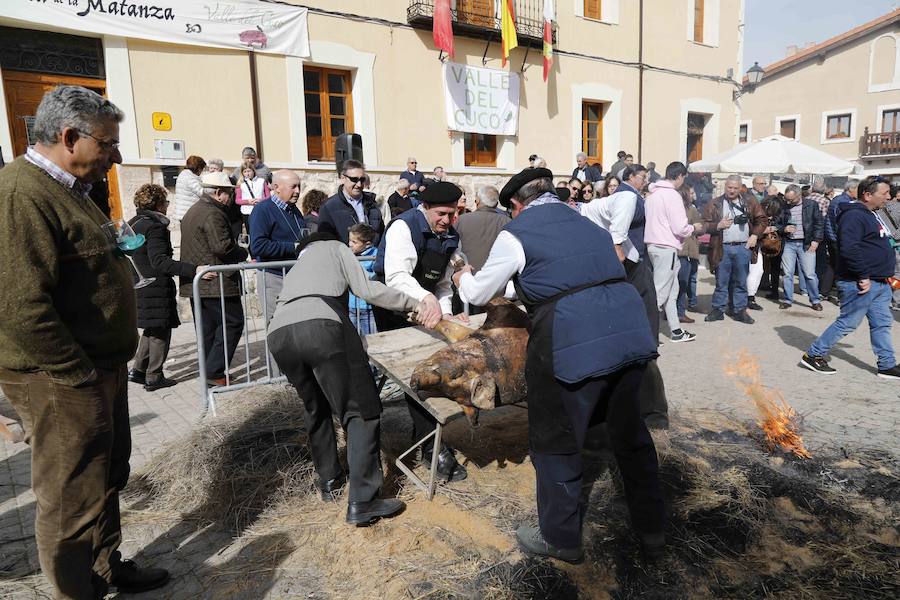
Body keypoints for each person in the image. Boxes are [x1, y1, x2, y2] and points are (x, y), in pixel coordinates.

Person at [0, 85, 169, 598]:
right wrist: (75, 375)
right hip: (60, 376)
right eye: (108, 144)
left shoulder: (72, 190)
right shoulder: (20, 194)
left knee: (107, 474)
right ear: (70, 137)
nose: (115, 157)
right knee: (70, 496)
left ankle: (104, 567)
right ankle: (77, 591)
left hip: (97, 368)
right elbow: (19, 306)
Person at [454, 168, 665, 564]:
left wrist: (462, 276)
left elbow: (481, 293)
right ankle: (652, 527)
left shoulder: (516, 233)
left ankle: (560, 537)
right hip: (627, 331)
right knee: (629, 432)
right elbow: (566, 273)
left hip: (572, 336)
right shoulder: (588, 223)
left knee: (556, 437)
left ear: (516, 205)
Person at [268, 232, 431, 525]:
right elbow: (367, 289)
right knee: (360, 410)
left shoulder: (298, 266)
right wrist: (413, 303)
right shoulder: (335, 248)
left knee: (316, 408)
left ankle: (329, 481)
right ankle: (364, 501)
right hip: (322, 326)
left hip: (278, 334)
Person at [373, 182, 469, 482]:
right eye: (441, 213)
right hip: (393, 306)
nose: (447, 220)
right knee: (416, 376)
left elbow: (443, 284)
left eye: (453, 214)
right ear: (425, 207)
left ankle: (430, 437)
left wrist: (446, 312)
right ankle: (430, 447)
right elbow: (396, 277)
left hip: (427, 306)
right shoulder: (403, 227)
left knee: (434, 371)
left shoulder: (451, 235)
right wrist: (425, 299)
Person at [582, 164, 669, 429]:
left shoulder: (618, 198)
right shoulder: (626, 197)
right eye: (643, 177)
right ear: (630, 177)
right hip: (623, 269)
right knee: (634, 334)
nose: (646, 180)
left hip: (627, 266)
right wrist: (618, 256)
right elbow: (617, 236)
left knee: (642, 337)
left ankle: (648, 407)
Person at [801, 176, 900, 379]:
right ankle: (813, 355)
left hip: (879, 281)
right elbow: (849, 248)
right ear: (867, 195)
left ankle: (887, 365)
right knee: (848, 322)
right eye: (884, 193)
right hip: (860, 282)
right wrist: (862, 274)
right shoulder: (854, 215)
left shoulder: (873, 214)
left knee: (882, 323)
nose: (889, 197)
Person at [128, 184, 216, 391]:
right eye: (165, 202)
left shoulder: (134, 222)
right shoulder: (154, 226)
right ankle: (154, 376)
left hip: (140, 283)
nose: (167, 206)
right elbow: (159, 261)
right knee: (161, 329)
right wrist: (193, 269)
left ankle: (139, 370)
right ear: (158, 204)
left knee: (151, 327)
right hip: (155, 286)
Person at [179, 172, 249, 386]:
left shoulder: (195, 209)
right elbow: (222, 247)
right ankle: (214, 371)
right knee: (233, 323)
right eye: (229, 193)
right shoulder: (212, 213)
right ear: (218, 193)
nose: (231, 197)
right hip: (216, 282)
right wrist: (243, 251)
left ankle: (210, 371)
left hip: (202, 281)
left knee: (208, 328)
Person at [644, 162, 703, 342]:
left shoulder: (653, 194)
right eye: (683, 177)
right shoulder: (672, 195)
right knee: (660, 292)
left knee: (671, 290)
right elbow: (680, 228)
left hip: (654, 245)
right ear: (679, 176)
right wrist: (693, 227)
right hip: (666, 247)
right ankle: (645, 335)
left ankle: (676, 331)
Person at [249, 170, 307, 339]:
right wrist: (294, 247)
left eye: (299, 186)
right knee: (278, 331)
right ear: (276, 187)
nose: (297, 191)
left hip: (294, 277)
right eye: (293, 186)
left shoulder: (294, 210)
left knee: (297, 327)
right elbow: (258, 246)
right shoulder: (262, 210)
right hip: (274, 277)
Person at [702, 175, 767, 324]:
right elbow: (703, 224)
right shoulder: (715, 203)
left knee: (741, 281)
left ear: (741, 188)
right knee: (721, 281)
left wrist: (755, 235)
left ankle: (739, 310)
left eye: (735, 188)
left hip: (743, 247)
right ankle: (718, 309)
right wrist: (717, 225)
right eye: (729, 187)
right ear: (725, 186)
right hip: (722, 247)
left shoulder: (750, 201)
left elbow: (762, 220)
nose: (732, 191)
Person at [776, 184, 824, 311]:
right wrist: (784, 228)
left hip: (806, 243)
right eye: (787, 199)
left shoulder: (811, 205)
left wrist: (816, 241)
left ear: (799, 195)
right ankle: (787, 299)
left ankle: (815, 300)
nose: (788, 202)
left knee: (809, 274)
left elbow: (819, 223)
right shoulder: (784, 206)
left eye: (791, 199)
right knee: (787, 273)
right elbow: (777, 224)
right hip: (789, 243)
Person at [318, 159, 385, 246]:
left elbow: (381, 234)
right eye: (354, 179)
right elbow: (326, 242)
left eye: (362, 179)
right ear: (343, 178)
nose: (359, 184)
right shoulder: (329, 207)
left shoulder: (372, 203)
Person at [348, 223, 379, 335]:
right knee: (353, 337)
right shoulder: (348, 255)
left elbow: (374, 276)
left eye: (354, 242)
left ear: (367, 244)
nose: (350, 244)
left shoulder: (375, 255)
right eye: (349, 240)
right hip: (351, 305)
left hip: (368, 307)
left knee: (371, 338)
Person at [676, 185, 702, 322]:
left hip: (688, 250)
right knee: (681, 283)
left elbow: (700, 227)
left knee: (684, 282)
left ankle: (679, 310)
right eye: (690, 193)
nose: (693, 195)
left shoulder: (692, 208)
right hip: (681, 250)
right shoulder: (680, 209)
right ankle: (678, 312)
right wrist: (693, 227)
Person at [235, 163, 270, 234]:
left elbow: (268, 196)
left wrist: (260, 200)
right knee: (250, 232)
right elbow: (237, 200)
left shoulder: (261, 181)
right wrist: (248, 201)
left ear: (253, 171)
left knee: (262, 231)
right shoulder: (241, 183)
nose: (247, 174)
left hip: (261, 210)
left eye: (249, 171)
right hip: (247, 212)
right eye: (245, 172)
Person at [173, 154, 206, 221]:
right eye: (202, 169)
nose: (201, 172)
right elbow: (201, 192)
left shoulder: (184, 174)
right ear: (198, 168)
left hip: (183, 212)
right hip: (188, 214)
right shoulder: (190, 178)